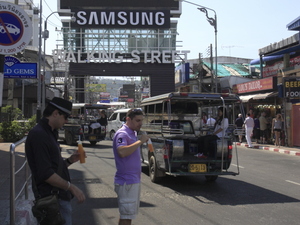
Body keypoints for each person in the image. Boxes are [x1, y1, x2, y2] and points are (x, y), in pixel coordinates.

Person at [25, 97, 86, 225]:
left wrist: (70, 160)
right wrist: (71, 187)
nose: (67, 120)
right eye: (65, 117)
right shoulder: (39, 135)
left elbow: (53, 167)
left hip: (58, 198)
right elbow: (45, 173)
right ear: (55, 113)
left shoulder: (51, 132)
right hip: (51, 199)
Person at [113, 108, 149, 225]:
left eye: (142, 120)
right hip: (127, 182)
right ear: (128, 119)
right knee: (126, 216)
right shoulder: (122, 133)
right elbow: (122, 152)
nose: (141, 123)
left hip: (132, 181)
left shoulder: (132, 133)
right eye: (138, 120)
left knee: (127, 215)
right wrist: (140, 142)